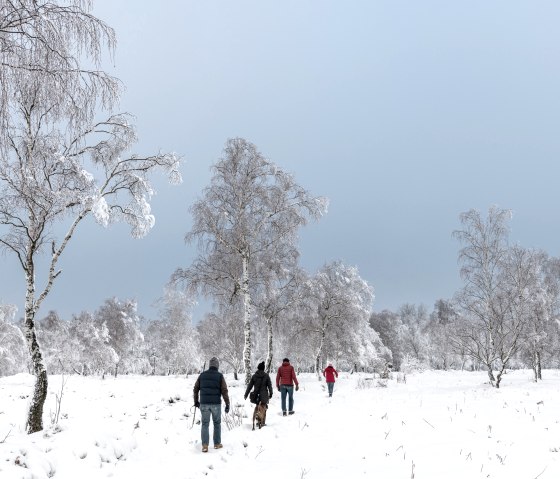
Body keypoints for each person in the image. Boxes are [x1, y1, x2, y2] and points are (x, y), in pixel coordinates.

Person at [193, 357, 230, 453]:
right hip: (216, 404)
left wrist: (196, 401)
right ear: (217, 366)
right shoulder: (220, 376)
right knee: (217, 423)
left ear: (209, 365)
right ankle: (217, 444)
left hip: (204, 404)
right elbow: (224, 391)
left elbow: (195, 389)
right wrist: (227, 403)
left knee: (205, 424)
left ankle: (205, 445)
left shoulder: (202, 375)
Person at [244, 361, 273, 426]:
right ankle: (262, 422)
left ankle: (257, 420)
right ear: (263, 368)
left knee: (257, 407)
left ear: (258, 368)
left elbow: (249, 386)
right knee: (263, 408)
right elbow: (269, 385)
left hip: (256, 395)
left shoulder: (254, 376)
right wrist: (271, 393)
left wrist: (246, 394)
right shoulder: (266, 376)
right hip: (264, 395)